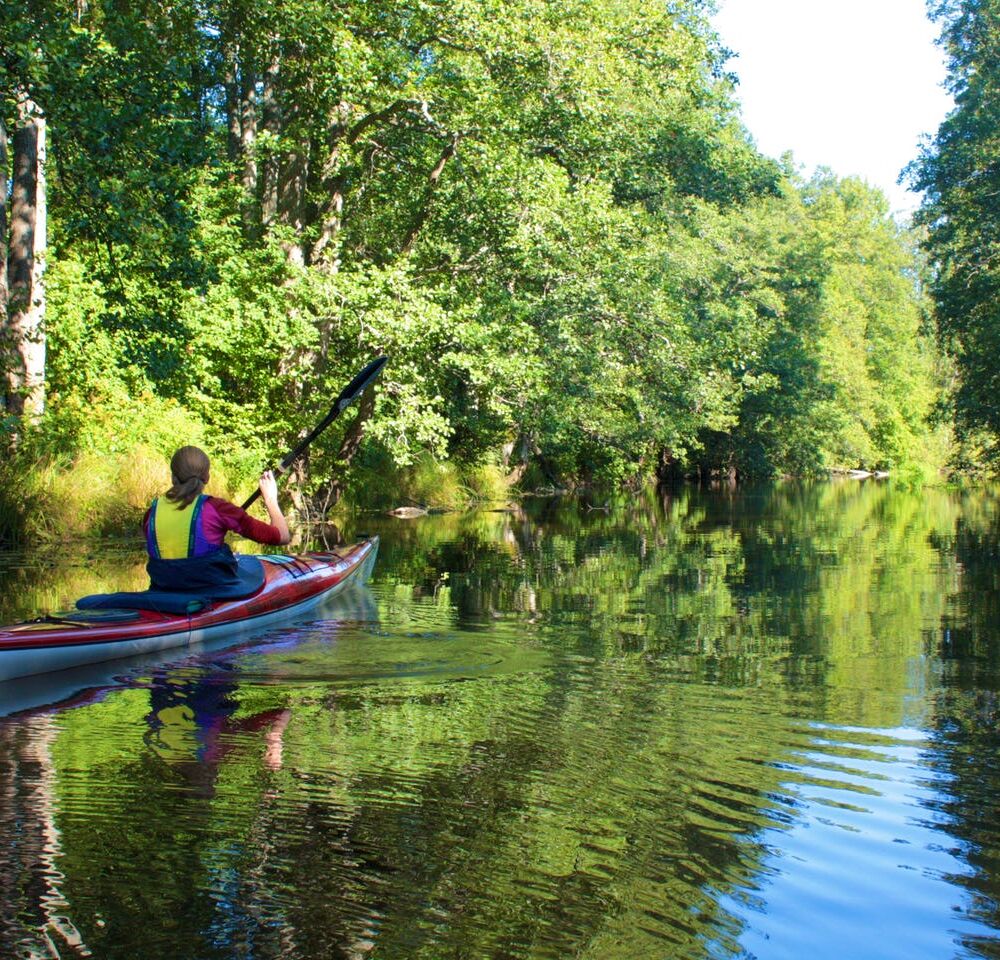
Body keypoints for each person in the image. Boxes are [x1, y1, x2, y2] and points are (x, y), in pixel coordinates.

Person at [143, 446, 292, 594]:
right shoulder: (218, 508)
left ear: (173, 477)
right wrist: (270, 498)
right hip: (210, 591)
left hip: (163, 591)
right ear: (207, 477)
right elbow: (282, 536)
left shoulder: (151, 514)